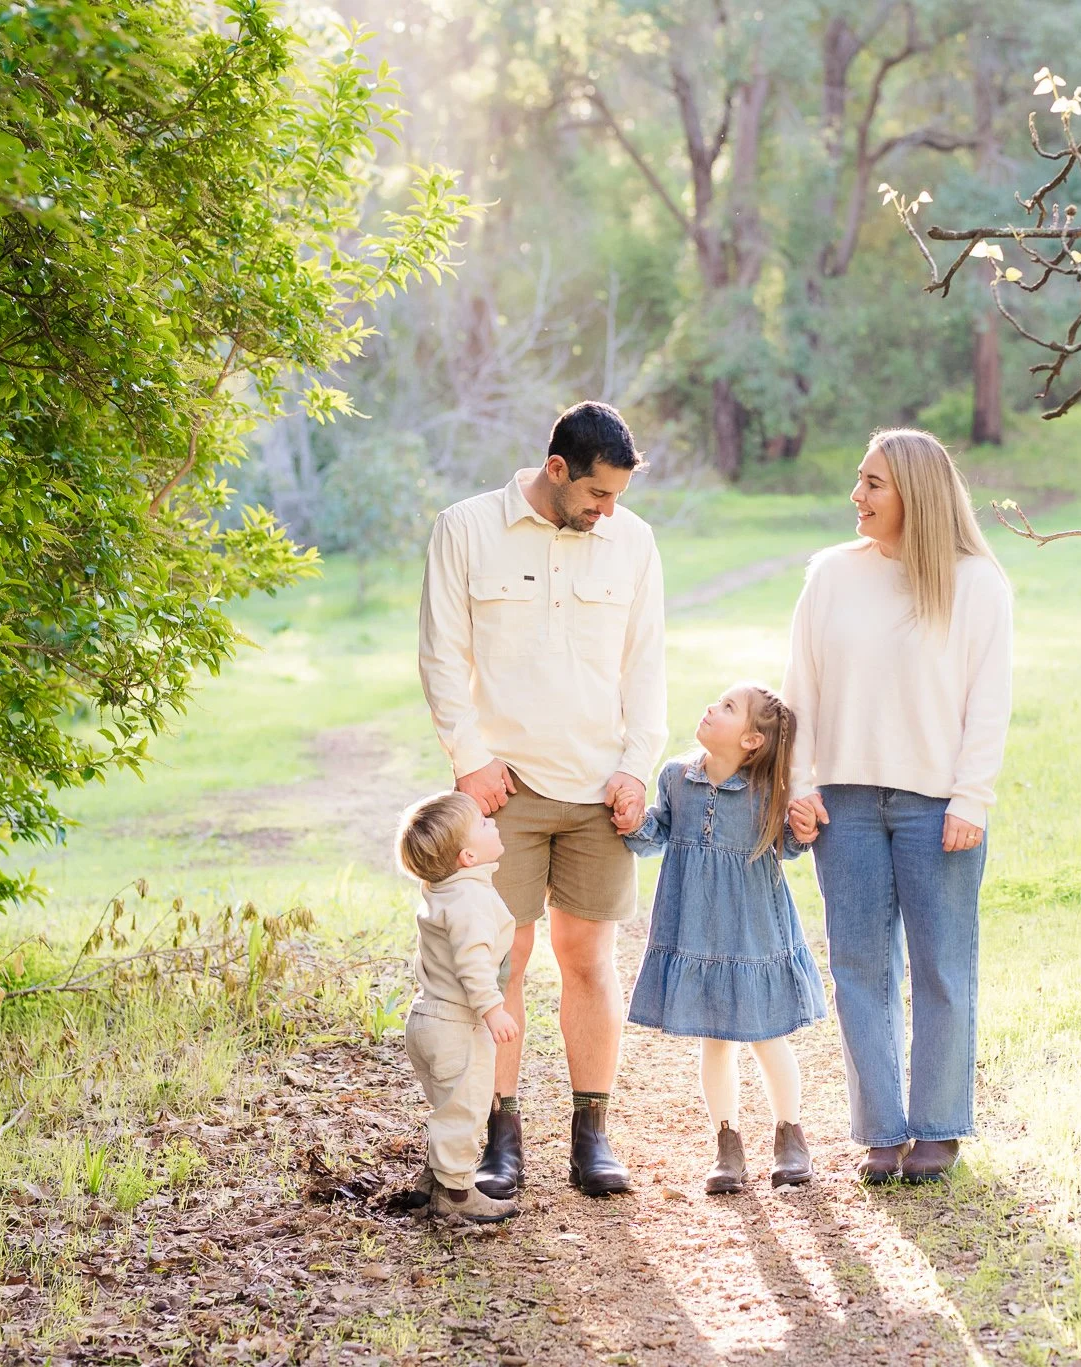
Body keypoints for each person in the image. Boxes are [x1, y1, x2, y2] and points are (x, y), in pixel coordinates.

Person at [417, 401, 667, 1198]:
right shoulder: (464, 529)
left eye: (619, 497)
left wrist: (637, 764)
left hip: (600, 790)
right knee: (505, 960)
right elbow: (441, 653)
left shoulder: (632, 542)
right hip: (505, 788)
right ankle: (502, 1133)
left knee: (590, 959)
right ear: (557, 470)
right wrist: (470, 760)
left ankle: (593, 1133)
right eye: (598, 495)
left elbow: (647, 664)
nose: (609, 512)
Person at [784, 428, 1014, 1185]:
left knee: (942, 964)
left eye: (874, 482)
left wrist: (971, 796)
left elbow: (989, 702)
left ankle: (939, 1126)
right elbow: (802, 690)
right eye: (859, 479)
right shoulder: (829, 576)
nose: (858, 494)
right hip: (844, 801)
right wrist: (798, 784)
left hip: (936, 803)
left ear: (916, 491)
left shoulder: (977, 581)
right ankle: (881, 1130)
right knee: (858, 966)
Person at [624, 683, 824, 1194]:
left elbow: (788, 848)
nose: (712, 707)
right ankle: (727, 1143)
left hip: (753, 932)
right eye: (716, 701)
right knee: (715, 1039)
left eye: (728, 708)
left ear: (753, 740)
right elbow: (654, 835)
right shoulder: (676, 777)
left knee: (765, 1035)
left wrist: (801, 832)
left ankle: (789, 1133)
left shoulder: (767, 791)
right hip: (697, 929)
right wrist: (630, 821)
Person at [395, 791, 522, 1222]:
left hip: (427, 1018)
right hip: (457, 1023)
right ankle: (458, 1195)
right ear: (468, 856)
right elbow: (472, 960)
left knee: (447, 1107)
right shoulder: (471, 900)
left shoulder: (443, 890)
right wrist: (492, 1008)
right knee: (465, 1111)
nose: (494, 822)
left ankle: (432, 1182)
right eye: (484, 824)